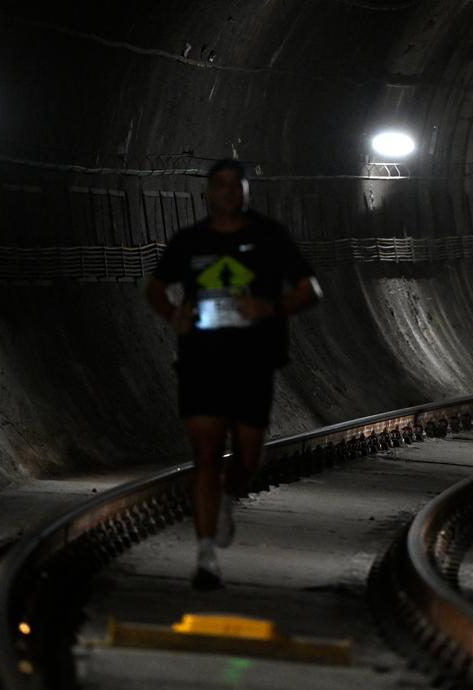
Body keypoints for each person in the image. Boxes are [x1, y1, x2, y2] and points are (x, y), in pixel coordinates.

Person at [147, 159, 320, 590]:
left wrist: (270, 307)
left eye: (235, 185)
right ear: (208, 192)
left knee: (246, 460)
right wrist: (173, 315)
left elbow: (310, 290)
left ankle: (229, 496)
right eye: (219, 185)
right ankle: (205, 557)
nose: (227, 192)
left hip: (252, 362)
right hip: (201, 361)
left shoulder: (268, 236)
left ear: (246, 192)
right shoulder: (190, 241)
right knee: (205, 457)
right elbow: (155, 286)